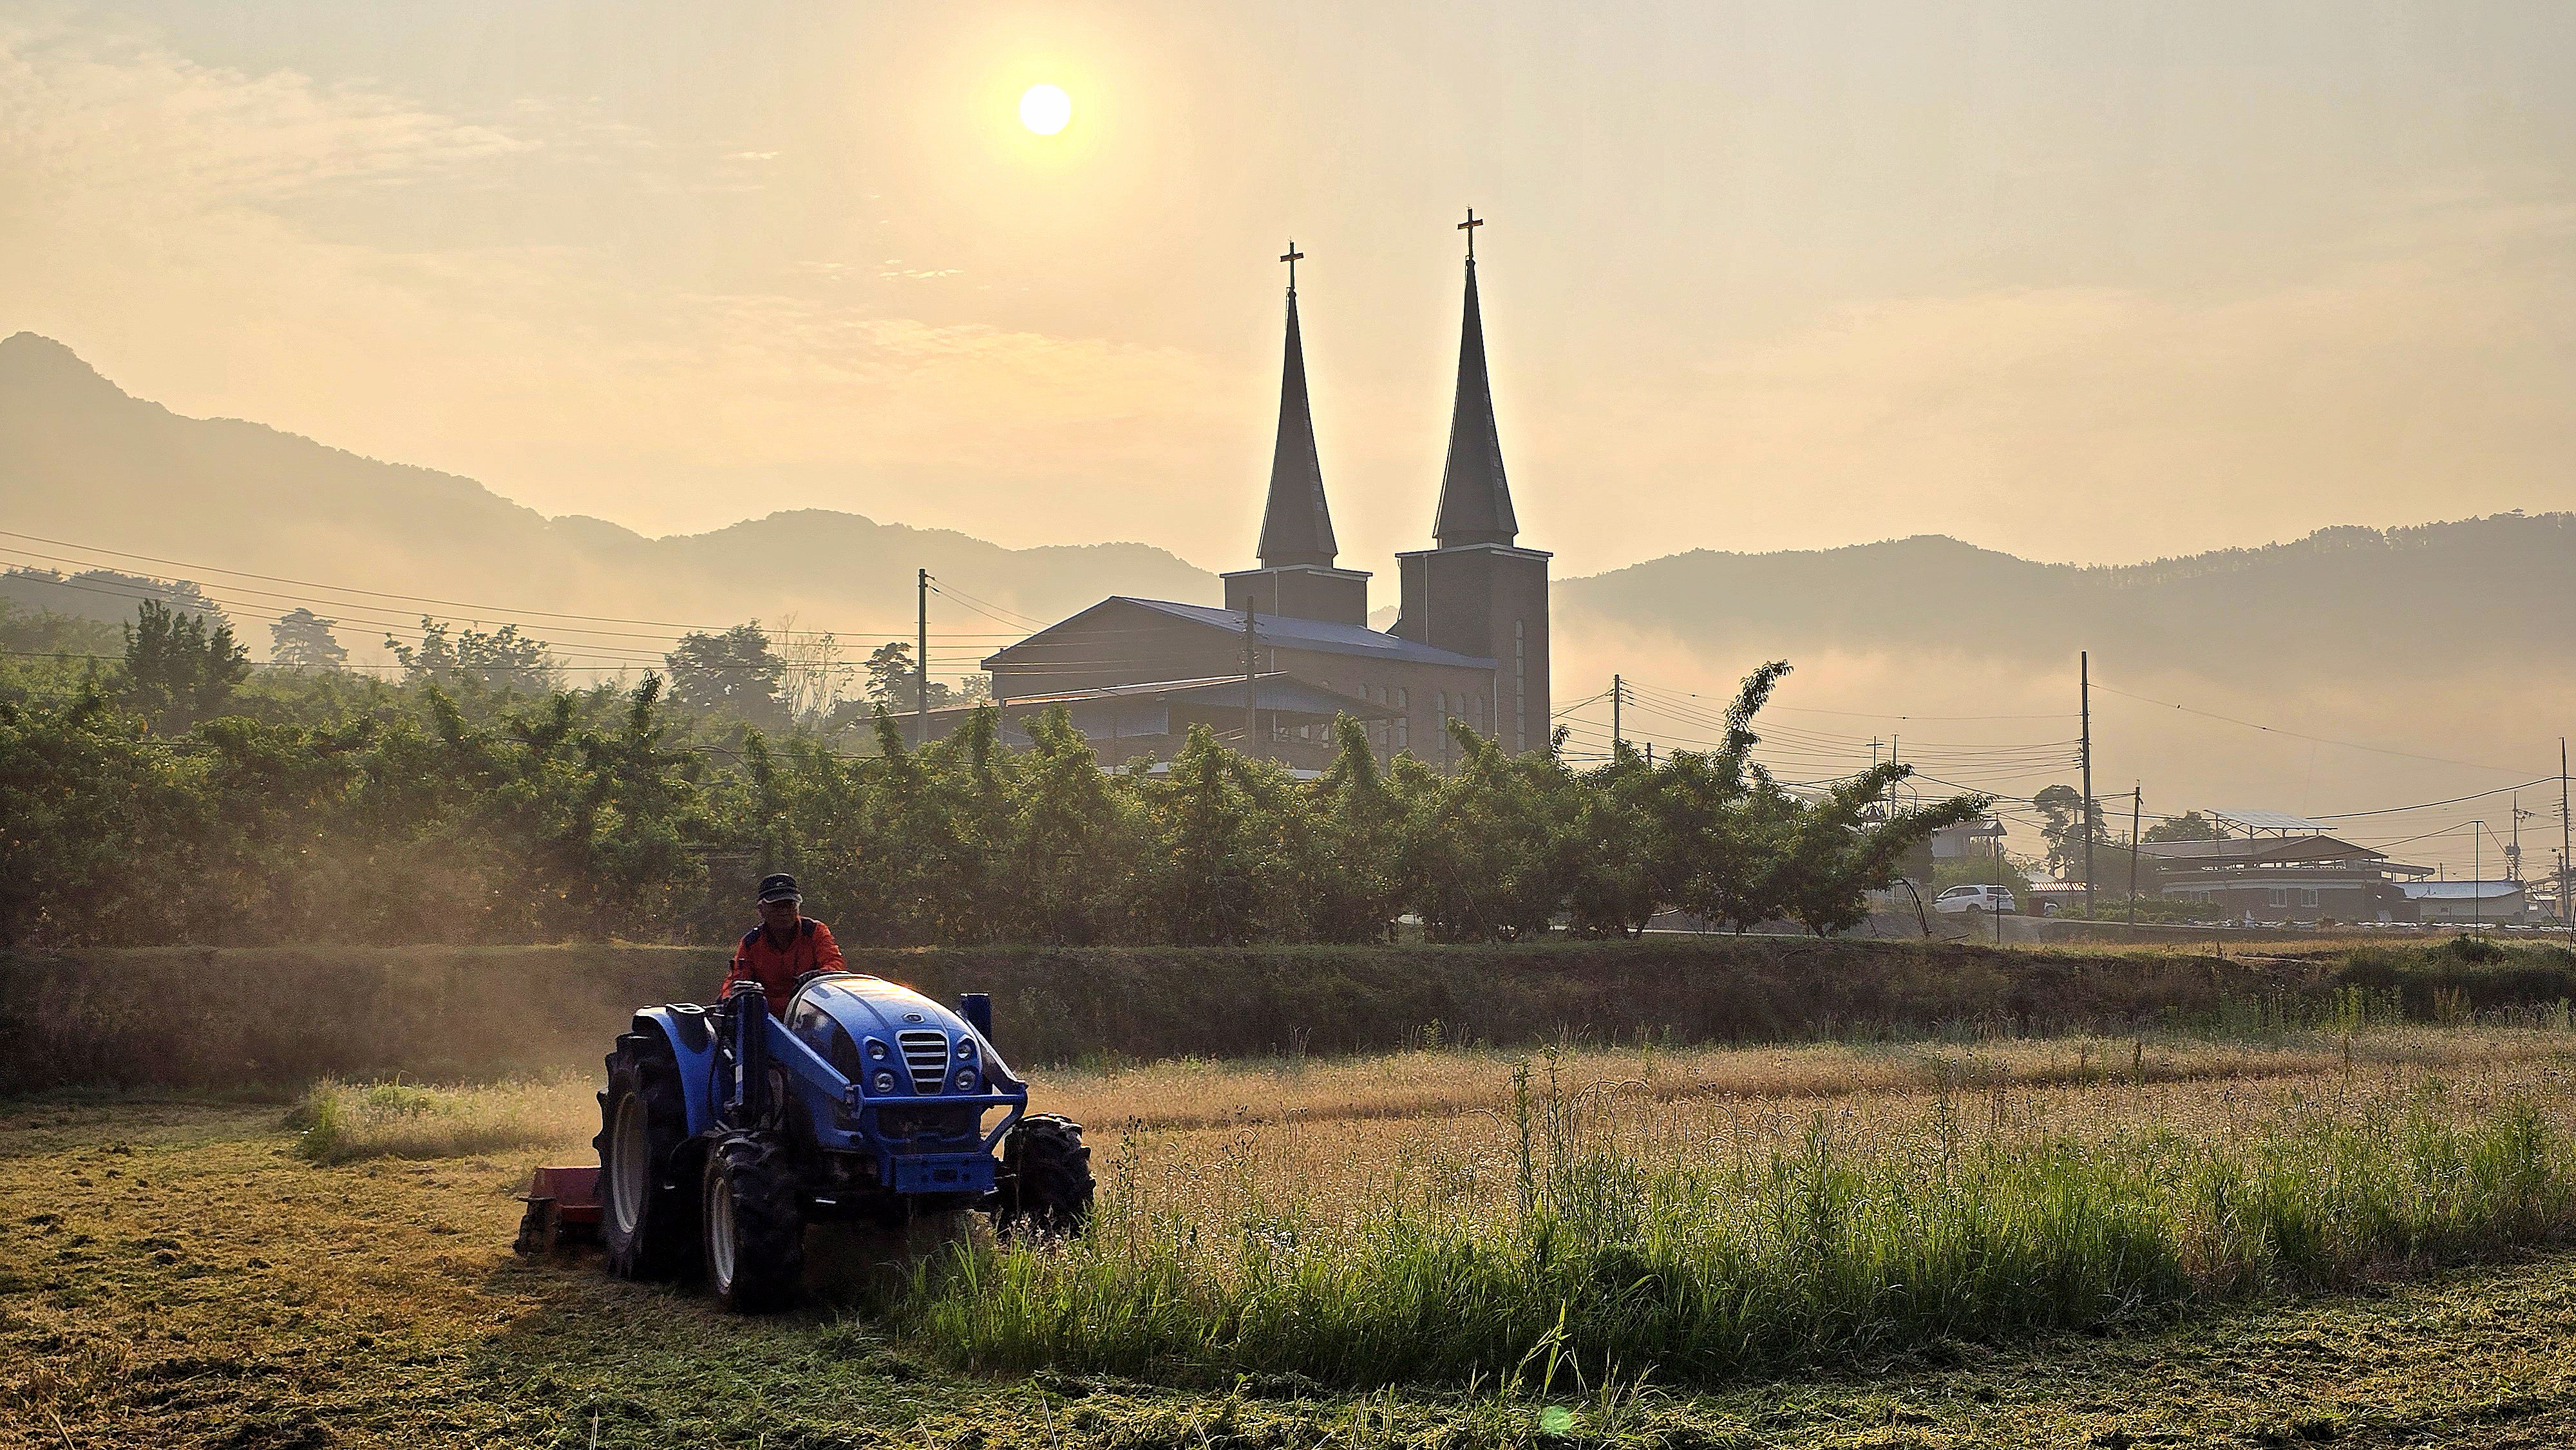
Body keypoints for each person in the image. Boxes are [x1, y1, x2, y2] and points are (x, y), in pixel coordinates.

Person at [719, 873, 846, 1016]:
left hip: (812, 1014)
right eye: (776, 906)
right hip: (767, 1021)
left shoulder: (815, 931)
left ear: (798, 906)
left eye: (790, 905)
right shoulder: (751, 943)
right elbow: (737, 981)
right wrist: (729, 999)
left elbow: (835, 964)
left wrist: (817, 975)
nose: (784, 912)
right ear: (761, 910)